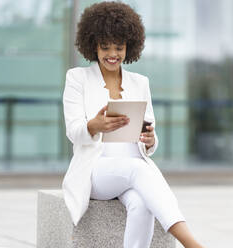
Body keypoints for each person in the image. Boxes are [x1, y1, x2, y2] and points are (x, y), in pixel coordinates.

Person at [62, 2, 205, 248]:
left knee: (141, 203)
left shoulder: (140, 82)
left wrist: (150, 140)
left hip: (131, 168)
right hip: (95, 172)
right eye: (105, 47)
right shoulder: (78, 78)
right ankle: (192, 244)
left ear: (129, 46)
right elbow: (74, 132)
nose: (112, 54)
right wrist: (94, 125)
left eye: (119, 47)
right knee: (138, 171)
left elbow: (150, 136)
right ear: (93, 44)